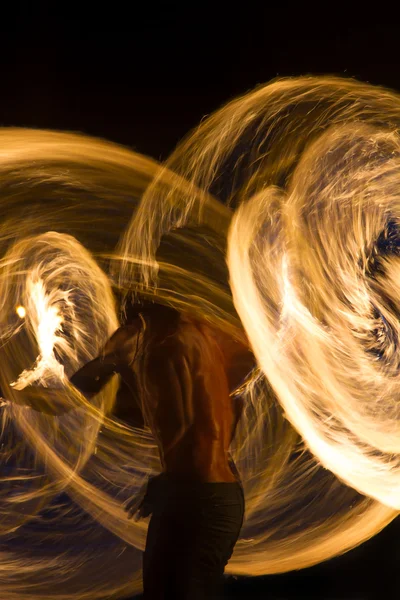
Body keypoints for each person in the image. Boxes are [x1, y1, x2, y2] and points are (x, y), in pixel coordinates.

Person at [70, 299, 254, 599]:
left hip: (192, 498)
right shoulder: (204, 331)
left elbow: (68, 396)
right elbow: (236, 395)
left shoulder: (131, 339)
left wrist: (22, 384)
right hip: (226, 497)